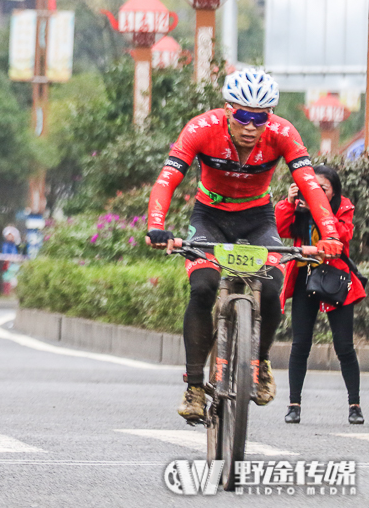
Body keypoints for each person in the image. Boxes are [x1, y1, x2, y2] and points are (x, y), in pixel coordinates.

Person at [145, 68, 343, 423]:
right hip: (210, 217)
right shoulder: (201, 128)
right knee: (203, 287)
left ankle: (260, 359)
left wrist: (330, 234)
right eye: (243, 116)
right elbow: (167, 179)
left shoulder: (283, 133)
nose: (251, 127)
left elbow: (310, 185)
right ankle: (194, 385)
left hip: (257, 219)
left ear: (270, 116)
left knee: (271, 290)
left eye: (260, 118)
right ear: (227, 109)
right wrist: (156, 226)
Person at [275, 165, 365, 425]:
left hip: (335, 279)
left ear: (334, 191)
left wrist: (318, 209)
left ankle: (355, 406)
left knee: (344, 347)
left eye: (321, 189)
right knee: (300, 344)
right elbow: (281, 229)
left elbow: (342, 236)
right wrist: (289, 202)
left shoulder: (343, 208)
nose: (314, 193)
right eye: (310, 188)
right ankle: (294, 405)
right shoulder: (299, 208)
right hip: (305, 279)